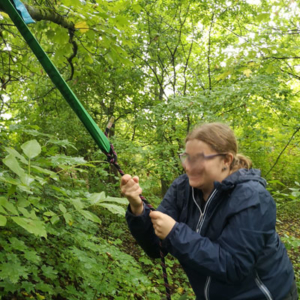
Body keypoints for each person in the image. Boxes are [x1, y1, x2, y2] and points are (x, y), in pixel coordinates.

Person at [120, 122, 298, 300]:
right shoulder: (182, 189)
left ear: (226, 160)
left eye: (197, 159)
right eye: (186, 157)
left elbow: (234, 266)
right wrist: (137, 208)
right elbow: (155, 247)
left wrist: (174, 233)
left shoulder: (253, 198)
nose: (188, 167)